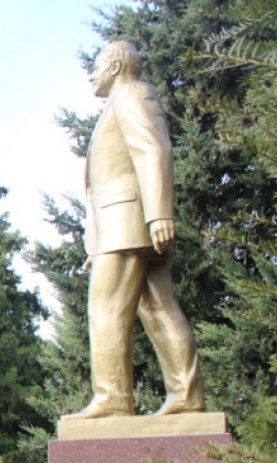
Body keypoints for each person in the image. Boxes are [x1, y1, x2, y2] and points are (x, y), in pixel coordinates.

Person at [64, 40, 204, 420]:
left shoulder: (131, 94)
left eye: (96, 65)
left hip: (127, 221)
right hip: (123, 223)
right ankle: (186, 395)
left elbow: (153, 149)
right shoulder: (122, 99)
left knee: (106, 308)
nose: (91, 74)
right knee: (158, 306)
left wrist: (159, 213)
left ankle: (113, 398)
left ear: (114, 65)